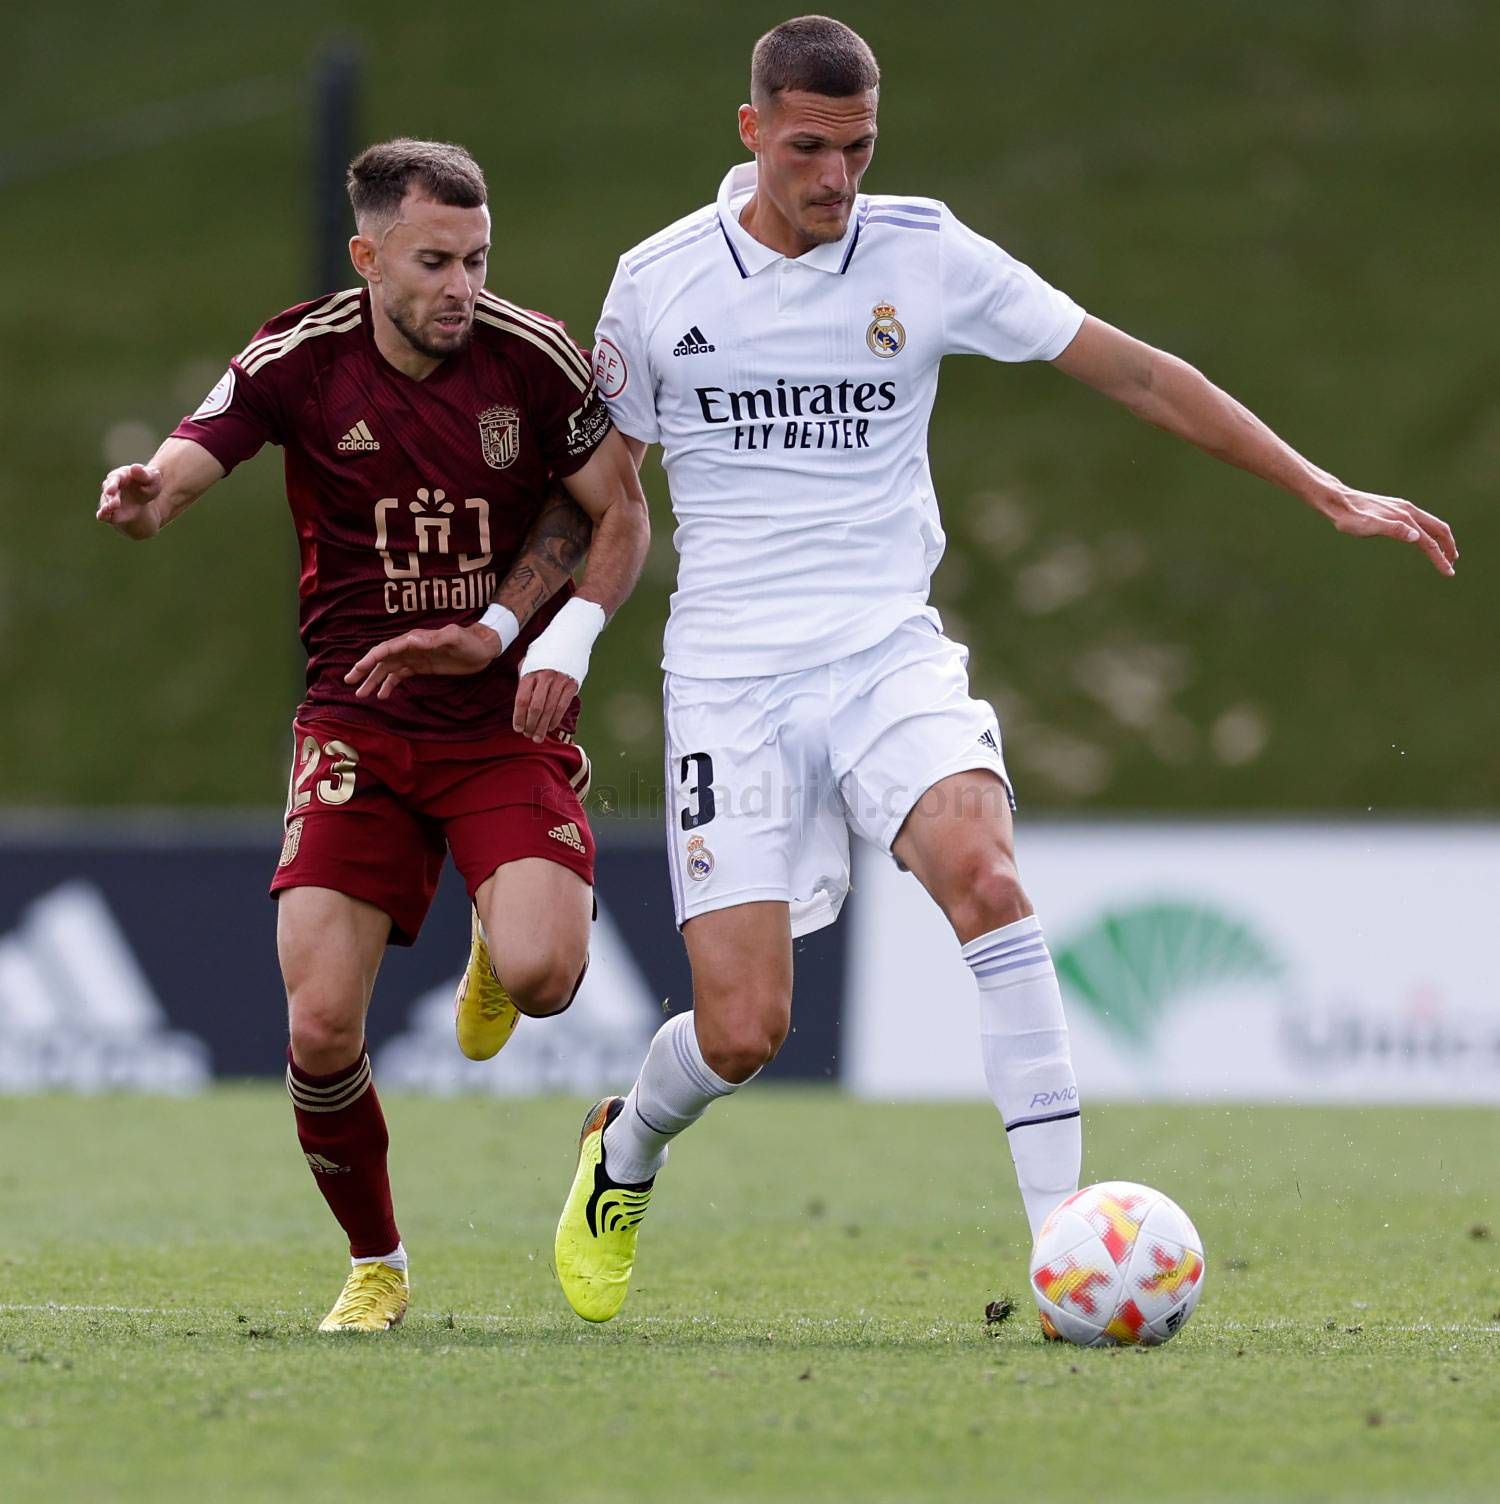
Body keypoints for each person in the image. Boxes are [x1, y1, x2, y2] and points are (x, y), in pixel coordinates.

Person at [541, 13, 1457, 1326]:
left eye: (857, 147)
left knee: (988, 873)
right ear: (751, 134)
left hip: (883, 647)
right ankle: (622, 1148)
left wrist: (1322, 489)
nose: (837, 178)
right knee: (741, 1029)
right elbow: (605, 493)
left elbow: (1135, 371)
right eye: (808, 149)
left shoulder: (925, 251)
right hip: (733, 676)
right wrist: (561, 629)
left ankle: (1061, 1252)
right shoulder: (658, 281)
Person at [95, 138, 649, 1332]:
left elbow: (621, 512)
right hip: (358, 718)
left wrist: (531, 634)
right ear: (368, 257)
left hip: (501, 714)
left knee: (550, 979)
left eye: (479, 259)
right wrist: (152, 496)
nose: (464, 287)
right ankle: (378, 1262)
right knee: (318, 1023)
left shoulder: (533, 357)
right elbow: (196, 452)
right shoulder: (303, 356)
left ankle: (503, 937)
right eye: (437, 261)